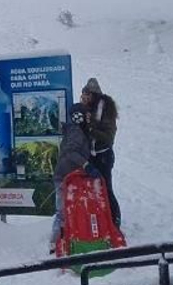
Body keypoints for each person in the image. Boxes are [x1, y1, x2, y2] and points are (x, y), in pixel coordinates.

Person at [50, 103, 95, 250]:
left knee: (68, 210)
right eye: (85, 115)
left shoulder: (75, 130)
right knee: (62, 211)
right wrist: (86, 164)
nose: (88, 117)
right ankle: (55, 243)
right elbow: (71, 152)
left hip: (69, 176)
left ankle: (67, 240)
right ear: (78, 116)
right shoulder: (77, 132)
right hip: (65, 176)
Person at [79, 77, 121, 227]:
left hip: (103, 154)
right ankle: (100, 220)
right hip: (91, 155)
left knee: (106, 188)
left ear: (94, 95)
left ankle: (115, 221)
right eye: (83, 95)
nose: (84, 98)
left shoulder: (105, 108)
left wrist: (90, 128)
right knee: (92, 189)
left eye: (87, 95)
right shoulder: (88, 109)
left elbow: (108, 137)